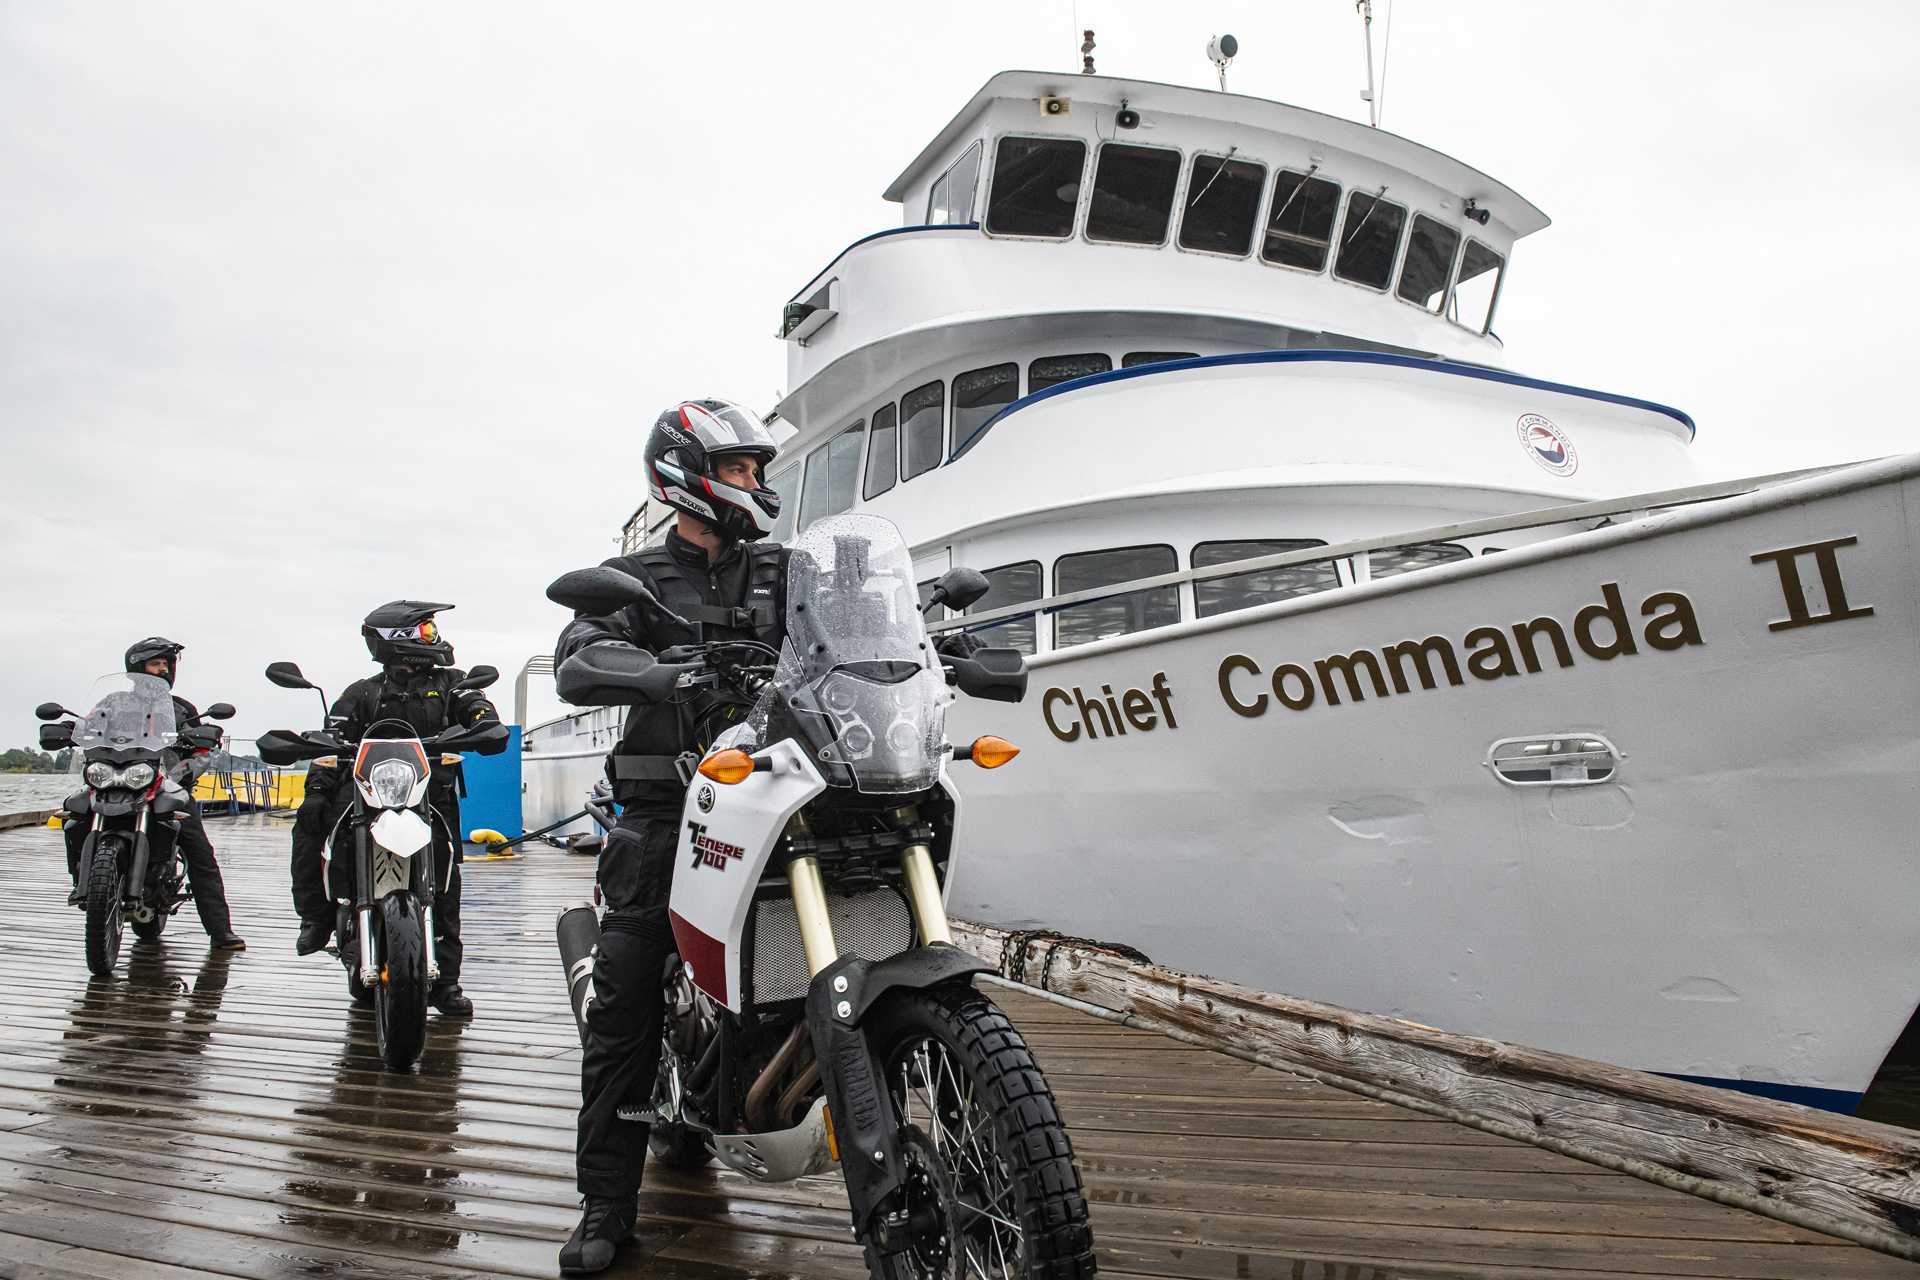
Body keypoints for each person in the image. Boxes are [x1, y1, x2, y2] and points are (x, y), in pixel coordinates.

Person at [551, 399, 986, 1275]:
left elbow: (855, 629)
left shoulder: (790, 570)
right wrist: (648, 667)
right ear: (688, 475)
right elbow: (578, 656)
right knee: (627, 993)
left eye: (757, 470)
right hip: (671, 806)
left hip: (787, 789)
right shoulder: (633, 577)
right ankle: (605, 1202)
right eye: (745, 470)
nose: (759, 484)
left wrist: (919, 638)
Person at [287, 601, 501, 1017]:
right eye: (424, 631)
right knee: (311, 823)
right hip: (366, 793)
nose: (433, 637)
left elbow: (480, 711)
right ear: (398, 641)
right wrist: (316, 788)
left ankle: (447, 981)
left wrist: (483, 725)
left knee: (445, 880)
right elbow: (333, 738)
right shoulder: (362, 692)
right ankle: (315, 916)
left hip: (429, 793)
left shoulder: (455, 684)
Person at [65, 638, 245, 950]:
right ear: (137, 669)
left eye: (166, 664)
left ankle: (220, 931)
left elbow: (201, 752)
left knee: (200, 854)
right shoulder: (111, 702)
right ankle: (85, 882)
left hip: (166, 787)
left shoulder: (181, 709)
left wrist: (179, 774)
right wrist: (70, 730)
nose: (163, 669)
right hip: (114, 782)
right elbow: (87, 729)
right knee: (75, 813)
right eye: (155, 664)